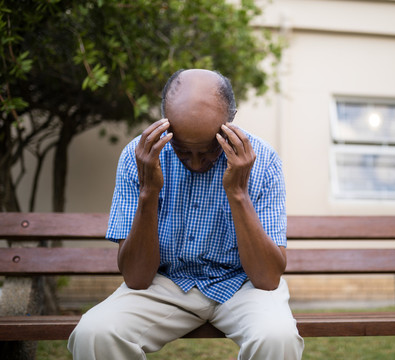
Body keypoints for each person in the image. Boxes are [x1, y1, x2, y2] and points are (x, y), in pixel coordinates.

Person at [68, 69, 304, 359]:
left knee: (277, 338)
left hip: (243, 285)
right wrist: (149, 191)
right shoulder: (138, 156)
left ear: (229, 122)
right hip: (165, 283)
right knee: (95, 333)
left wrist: (238, 193)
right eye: (181, 149)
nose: (194, 163)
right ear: (165, 121)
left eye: (208, 150)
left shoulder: (263, 161)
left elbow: (267, 279)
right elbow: (137, 278)